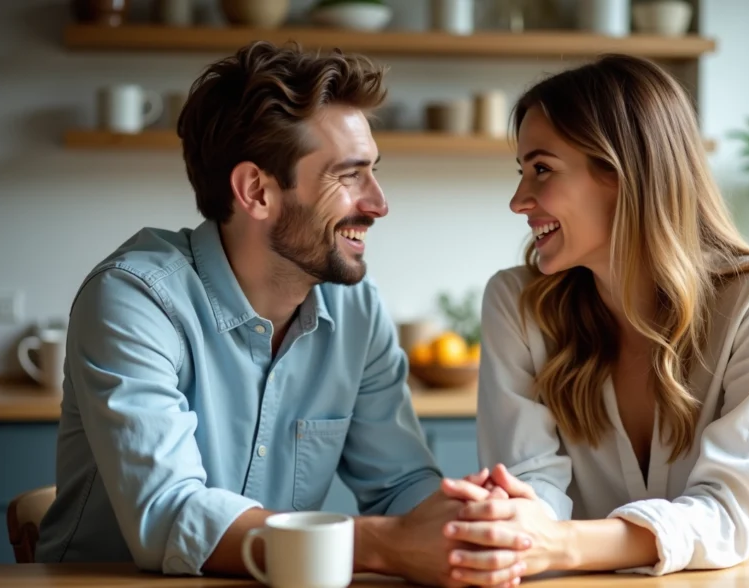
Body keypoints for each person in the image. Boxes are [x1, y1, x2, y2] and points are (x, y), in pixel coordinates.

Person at [35, 41, 527, 587]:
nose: (379, 203)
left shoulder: (356, 310)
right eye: (349, 176)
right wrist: (383, 544)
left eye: (374, 172)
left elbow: (400, 484)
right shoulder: (134, 300)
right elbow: (169, 515)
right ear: (256, 191)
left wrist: (473, 523)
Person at [438, 54, 749, 585]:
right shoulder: (516, 302)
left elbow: (732, 513)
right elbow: (531, 487)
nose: (519, 200)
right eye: (522, 171)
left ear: (618, 174)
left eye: (541, 169)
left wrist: (562, 544)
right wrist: (515, 526)